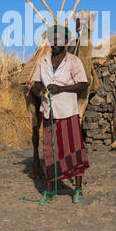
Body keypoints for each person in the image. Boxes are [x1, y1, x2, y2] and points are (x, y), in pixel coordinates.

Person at [31, 24, 90, 204]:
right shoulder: (43, 61)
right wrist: (41, 90)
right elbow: (34, 83)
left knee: (73, 150)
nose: (55, 43)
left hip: (68, 112)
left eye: (59, 40)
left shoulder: (73, 61)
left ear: (66, 42)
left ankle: (78, 189)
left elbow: (83, 84)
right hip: (49, 113)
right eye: (52, 39)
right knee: (49, 151)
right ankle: (50, 191)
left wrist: (61, 88)